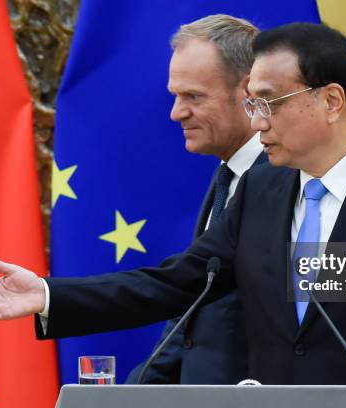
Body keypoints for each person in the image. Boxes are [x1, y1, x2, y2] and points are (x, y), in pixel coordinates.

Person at [0, 23, 346, 399]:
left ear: (331, 100)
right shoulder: (262, 187)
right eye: (250, 103)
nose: (257, 119)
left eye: (267, 101)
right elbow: (179, 284)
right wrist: (50, 295)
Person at [125, 14, 265, 384]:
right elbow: (192, 309)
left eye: (193, 96)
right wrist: (130, 395)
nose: (176, 113)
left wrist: (48, 296)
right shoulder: (227, 178)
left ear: (249, 91)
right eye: (175, 96)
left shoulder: (290, 180)